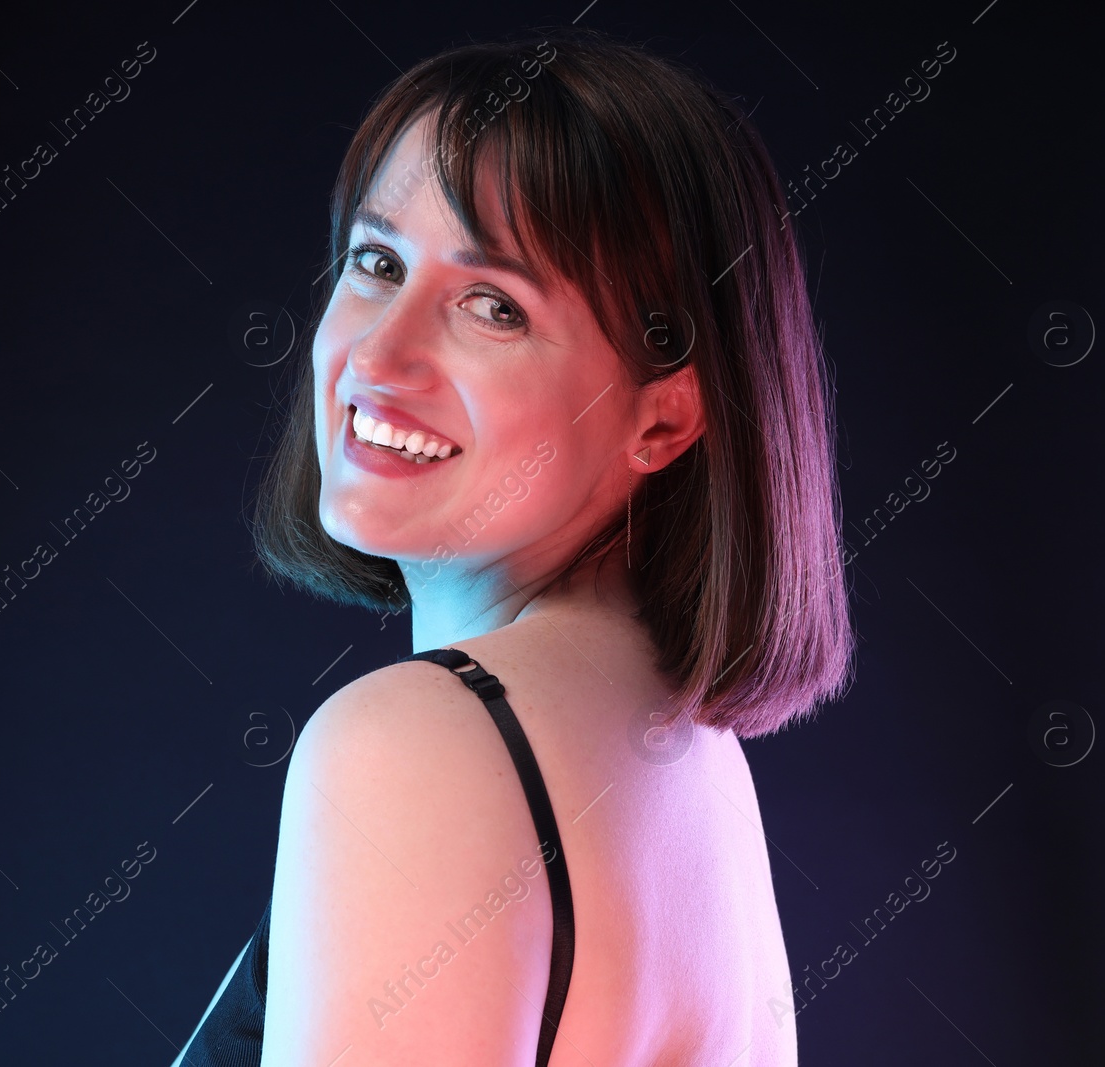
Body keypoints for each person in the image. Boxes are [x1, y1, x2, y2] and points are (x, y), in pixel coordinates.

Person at [174, 26, 853, 1067]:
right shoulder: (682, 754)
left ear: (662, 419)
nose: (382, 356)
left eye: (492, 306)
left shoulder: (413, 744)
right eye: (377, 261)